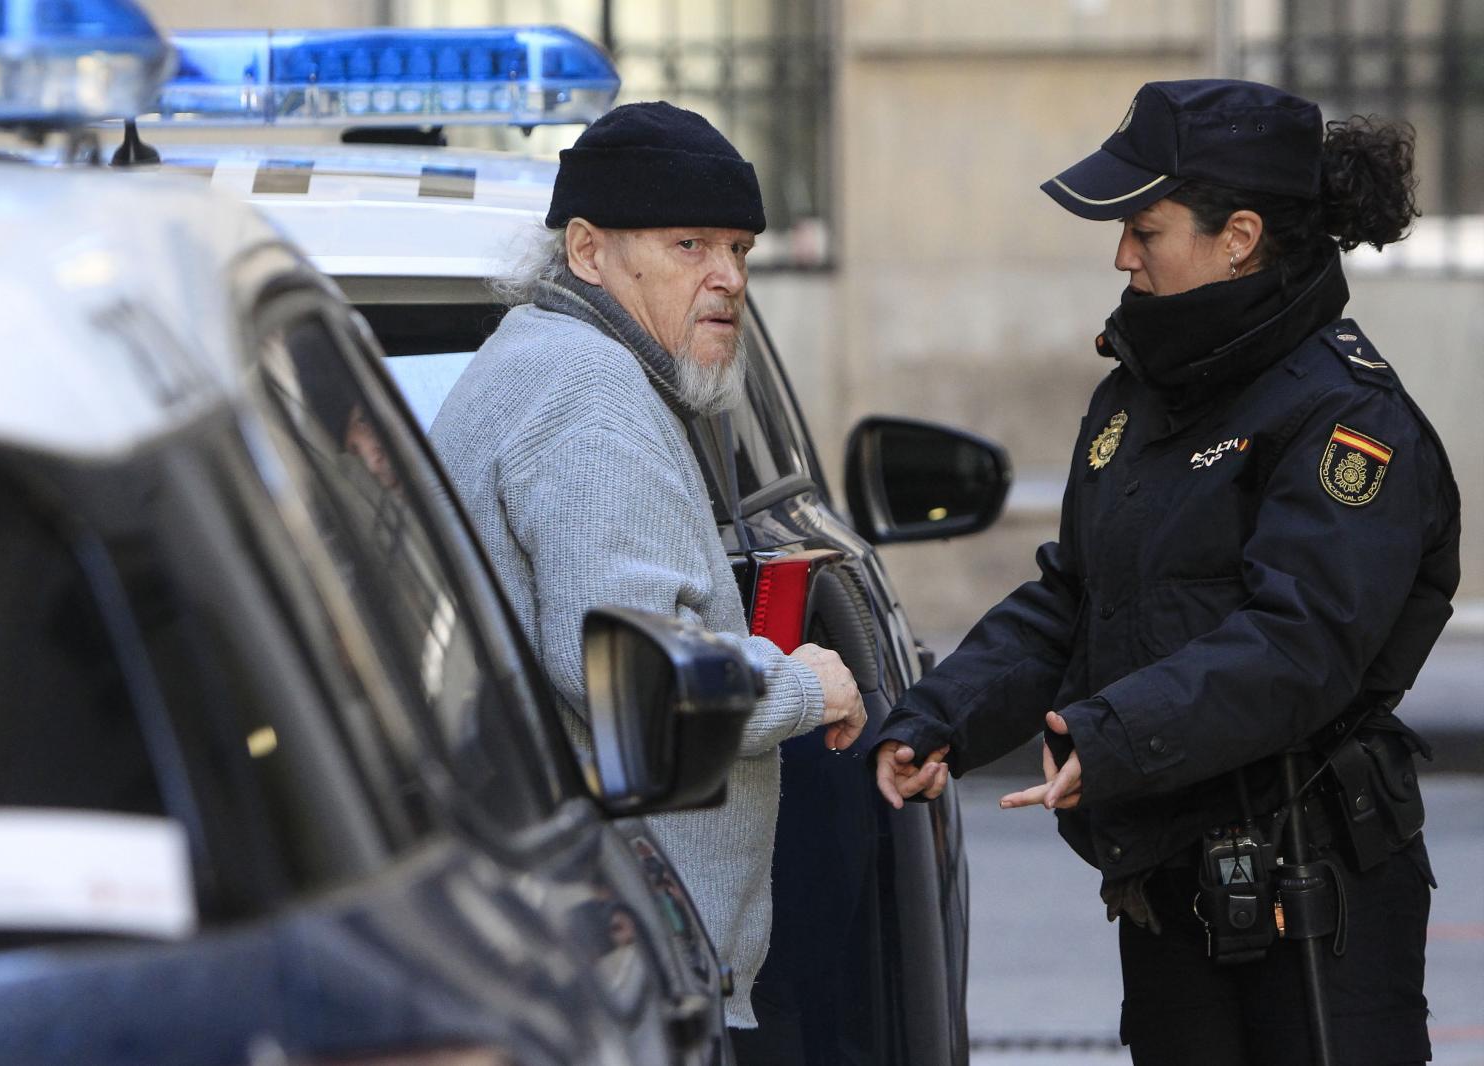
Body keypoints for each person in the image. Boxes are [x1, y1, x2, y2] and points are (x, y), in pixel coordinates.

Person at [873, 79, 1460, 1064]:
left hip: (1312, 895)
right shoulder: (1139, 395)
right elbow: (1075, 594)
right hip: (1168, 875)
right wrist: (941, 717)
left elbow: (1298, 646)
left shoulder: (1344, 419)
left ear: (1237, 235)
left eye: (1145, 229)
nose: (1120, 254)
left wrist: (1107, 736)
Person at [429, 100, 866, 1046]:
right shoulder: (592, 400)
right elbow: (642, 694)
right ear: (588, 251)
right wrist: (806, 683)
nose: (728, 279)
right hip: (619, 972)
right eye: (689, 245)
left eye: (741, 250)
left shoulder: (542, 361)